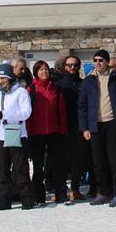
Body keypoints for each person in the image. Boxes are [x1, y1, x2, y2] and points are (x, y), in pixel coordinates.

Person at [78, 49, 116, 207]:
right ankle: (103, 192)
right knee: (99, 162)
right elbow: (82, 106)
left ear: (107, 62)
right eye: (95, 60)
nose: (98, 63)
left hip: (113, 123)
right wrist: (85, 128)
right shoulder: (88, 81)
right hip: (95, 125)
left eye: (101, 60)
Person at [0, 63, 34, 210]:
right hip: (0, 135)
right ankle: (3, 200)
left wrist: (4, 114)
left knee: (20, 167)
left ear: (10, 77)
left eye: (3, 78)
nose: (1, 81)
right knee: (1, 169)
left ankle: (26, 198)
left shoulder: (21, 92)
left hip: (16, 132)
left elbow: (26, 112)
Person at [26, 60, 68, 206]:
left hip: (54, 131)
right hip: (36, 133)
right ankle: (39, 195)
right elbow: (28, 113)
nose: (44, 72)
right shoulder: (31, 89)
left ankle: (60, 193)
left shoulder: (55, 88)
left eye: (45, 69)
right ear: (36, 73)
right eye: (40, 70)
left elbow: (61, 111)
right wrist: (28, 133)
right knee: (38, 166)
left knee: (58, 165)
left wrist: (63, 129)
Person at [57, 55, 90, 201]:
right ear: (65, 66)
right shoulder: (59, 85)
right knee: (62, 160)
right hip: (63, 127)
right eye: (70, 65)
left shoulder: (83, 84)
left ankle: (75, 189)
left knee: (79, 159)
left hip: (80, 126)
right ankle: (61, 190)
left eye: (75, 65)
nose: (72, 67)